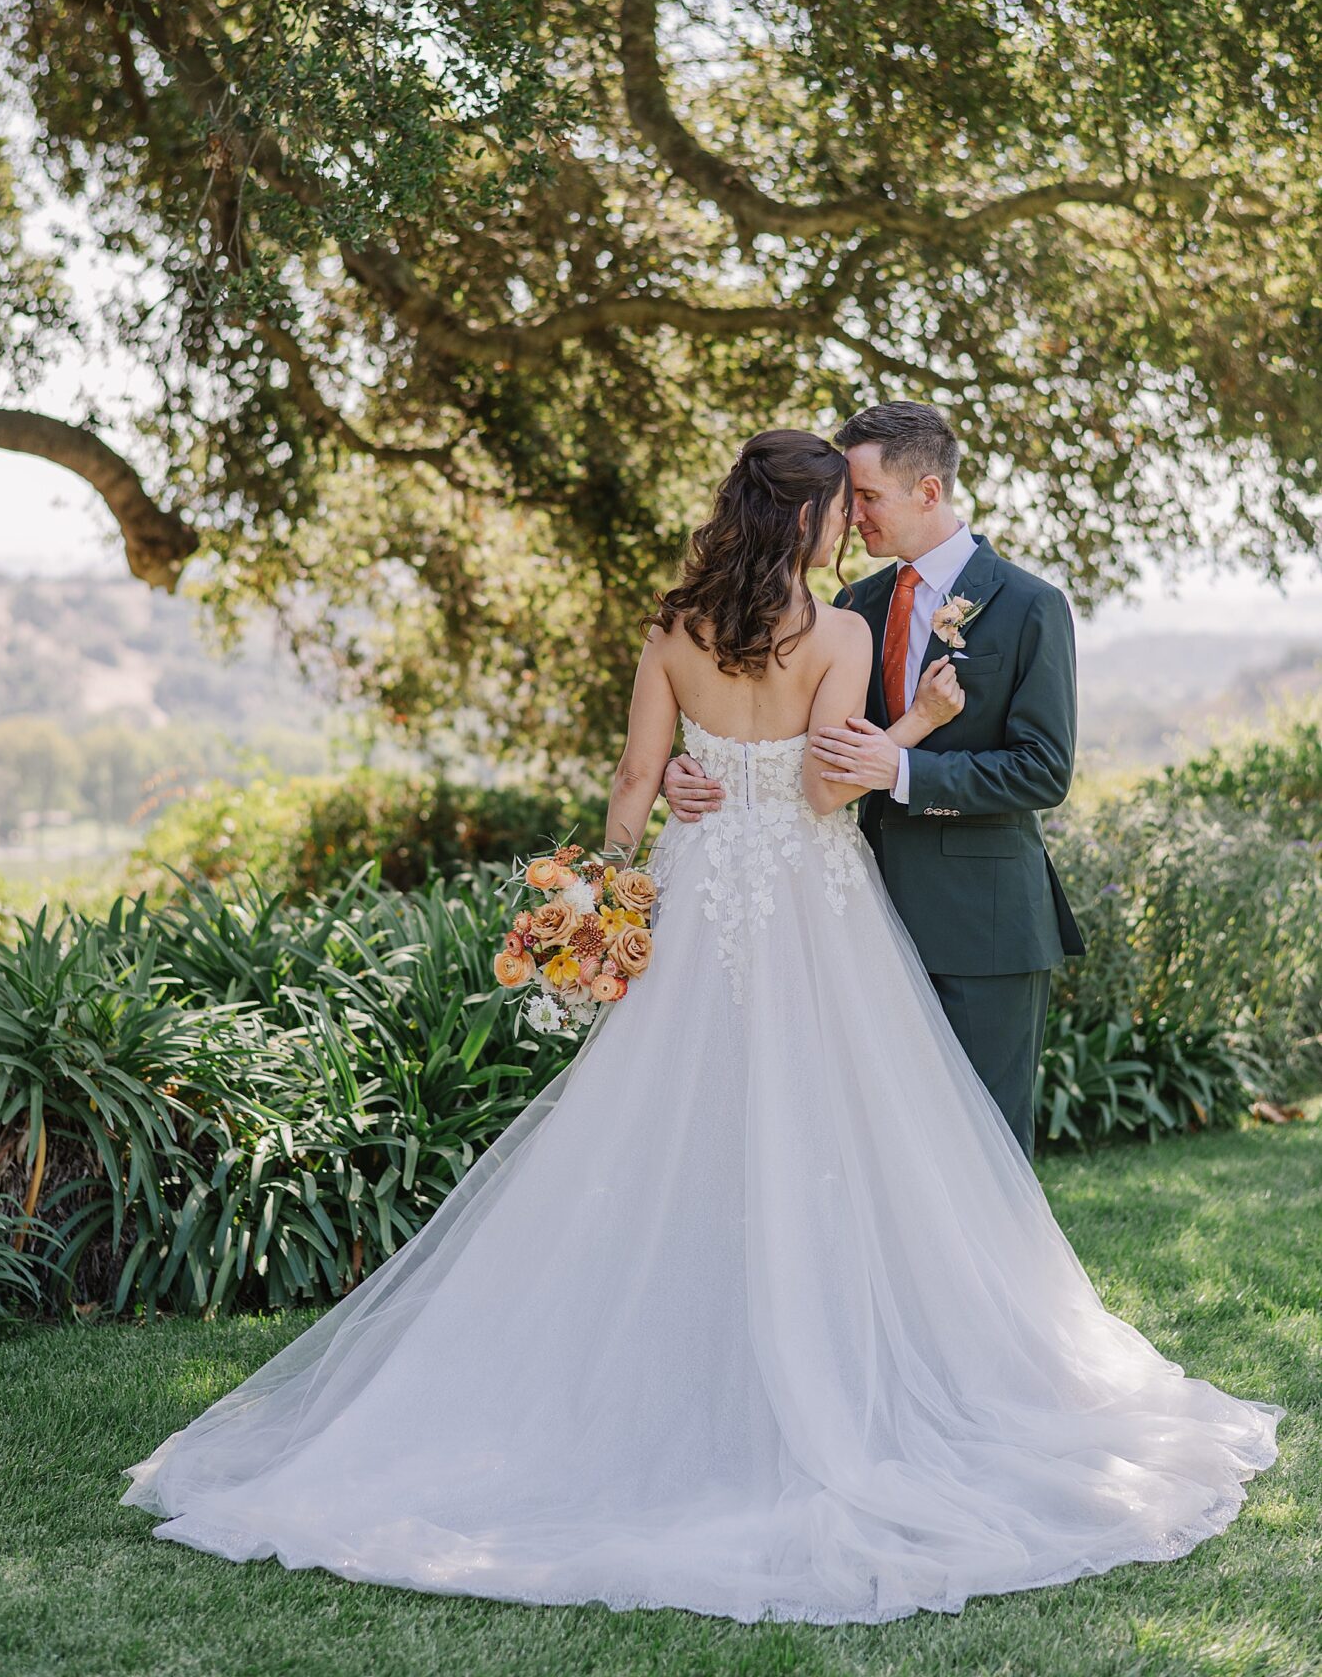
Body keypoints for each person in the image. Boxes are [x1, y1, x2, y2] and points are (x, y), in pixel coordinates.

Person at [122, 429, 1280, 1627]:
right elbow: (830, 783)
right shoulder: (839, 629)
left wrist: (600, 907)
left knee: (671, 1127)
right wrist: (921, 721)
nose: (853, 524)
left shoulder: (673, 629)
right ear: (806, 522)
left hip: (693, 893)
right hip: (816, 910)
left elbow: (634, 780)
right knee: (849, 1130)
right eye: (841, 507)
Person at [664, 401, 1083, 1159]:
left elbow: (1043, 769)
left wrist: (904, 767)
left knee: (983, 1149)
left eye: (864, 496)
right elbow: (780, 736)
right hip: (852, 919)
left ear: (927, 491)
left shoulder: (1029, 606)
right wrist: (686, 764)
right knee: (879, 1158)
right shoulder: (851, 605)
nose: (846, 516)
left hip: (979, 925)